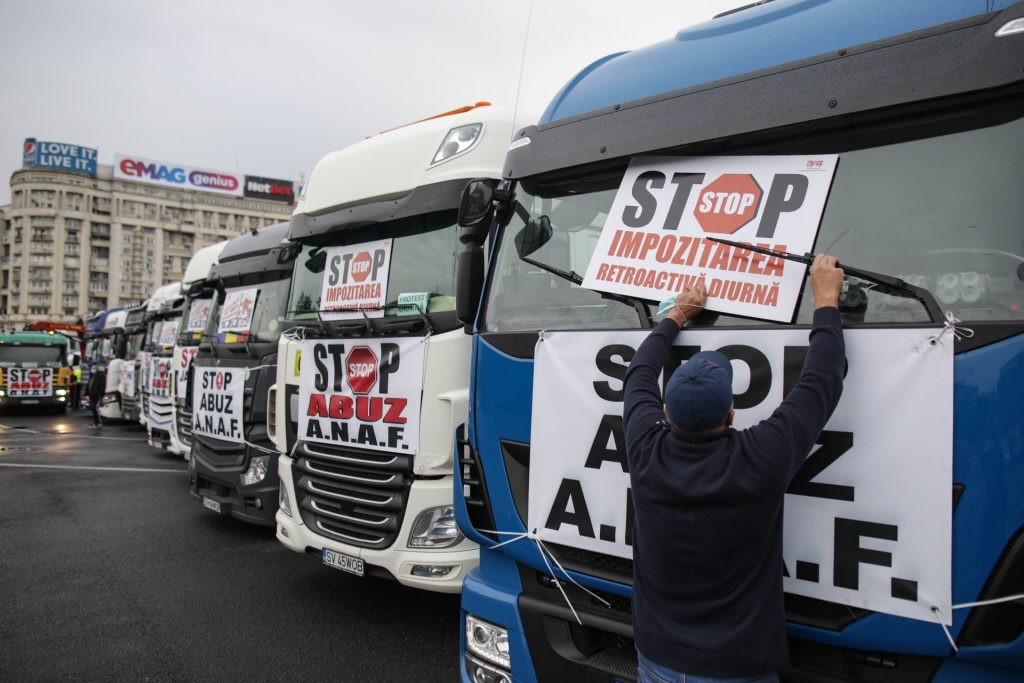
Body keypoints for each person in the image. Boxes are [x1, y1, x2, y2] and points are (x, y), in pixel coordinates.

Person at [624, 254, 847, 683]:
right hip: (737, 667)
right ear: (730, 413)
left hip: (655, 656)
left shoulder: (644, 446)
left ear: (665, 410)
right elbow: (823, 378)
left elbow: (638, 372)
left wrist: (676, 315)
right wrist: (826, 298)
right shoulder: (760, 456)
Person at [86, 362, 106, 428]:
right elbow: (89, 385)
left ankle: (98, 423)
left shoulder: (100, 375)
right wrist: (87, 393)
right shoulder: (92, 376)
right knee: (93, 409)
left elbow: (102, 386)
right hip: (92, 395)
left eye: (94, 368)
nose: (92, 369)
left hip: (97, 395)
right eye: (92, 368)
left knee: (95, 409)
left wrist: (101, 395)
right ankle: (96, 423)